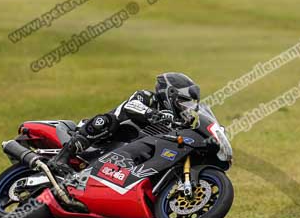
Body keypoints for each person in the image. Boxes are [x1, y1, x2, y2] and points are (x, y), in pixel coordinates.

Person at [49, 72, 201, 177]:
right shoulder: (147, 97)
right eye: (183, 102)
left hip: (125, 156)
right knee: (107, 121)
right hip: (103, 139)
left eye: (189, 105)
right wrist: (153, 114)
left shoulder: (177, 123)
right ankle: (62, 157)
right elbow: (131, 106)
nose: (186, 108)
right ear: (170, 94)